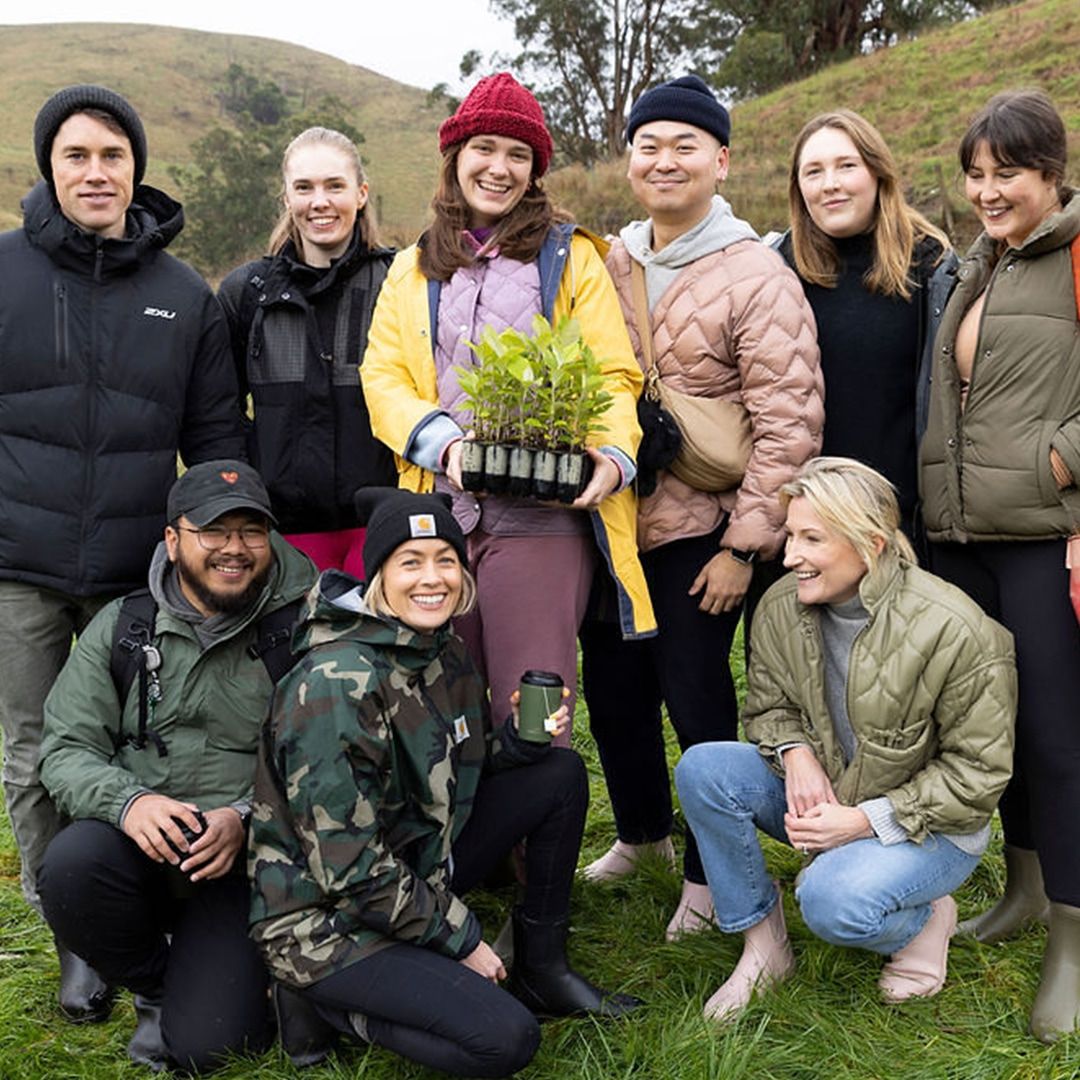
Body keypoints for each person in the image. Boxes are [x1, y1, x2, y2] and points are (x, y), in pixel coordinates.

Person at [249, 489, 640, 1078]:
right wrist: (461, 937)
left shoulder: (441, 649)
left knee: (557, 774)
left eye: (446, 559)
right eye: (411, 562)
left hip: (415, 863)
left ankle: (542, 968)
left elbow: (457, 773)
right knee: (503, 1040)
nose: (433, 578)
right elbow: (351, 873)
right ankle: (321, 1004)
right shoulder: (334, 684)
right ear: (379, 573)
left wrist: (520, 747)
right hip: (327, 919)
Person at [0, 84, 243, 1020]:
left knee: (133, 750)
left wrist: (215, 551)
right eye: (76, 156)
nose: (95, 172)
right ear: (48, 168)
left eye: (112, 155)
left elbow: (217, 442)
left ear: (136, 167)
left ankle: (132, 915)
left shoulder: (185, 298)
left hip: (133, 576)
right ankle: (72, 939)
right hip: (18, 566)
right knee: (30, 753)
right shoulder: (6, 272)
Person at [577, 75, 823, 940]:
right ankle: (643, 833)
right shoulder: (609, 262)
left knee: (695, 695)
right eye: (650, 145)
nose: (665, 159)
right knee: (613, 688)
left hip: (704, 532)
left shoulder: (756, 272)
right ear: (631, 159)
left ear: (720, 161)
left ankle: (711, 874)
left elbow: (788, 422)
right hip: (614, 525)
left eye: (686, 145)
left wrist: (745, 548)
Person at [361, 72, 655, 734]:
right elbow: (382, 376)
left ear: (535, 169)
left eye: (518, 154)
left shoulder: (571, 258)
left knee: (533, 706)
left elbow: (613, 373)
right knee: (445, 708)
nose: (499, 167)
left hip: (543, 520)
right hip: (440, 521)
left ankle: (539, 829)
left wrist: (611, 457)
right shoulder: (413, 267)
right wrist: (445, 445)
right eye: (485, 148)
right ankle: (472, 839)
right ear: (456, 156)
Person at [674, 457, 1016, 1021]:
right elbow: (769, 708)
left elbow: (977, 777)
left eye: (812, 539)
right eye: (790, 536)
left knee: (832, 904)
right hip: (835, 787)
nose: (789, 557)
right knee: (704, 770)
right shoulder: (783, 604)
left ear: (871, 544)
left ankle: (926, 921)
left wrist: (864, 822)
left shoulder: (957, 629)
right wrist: (795, 752)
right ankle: (764, 945)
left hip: (932, 828)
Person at [35, 461, 317, 1073]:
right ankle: (156, 985)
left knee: (212, 1047)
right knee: (70, 866)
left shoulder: (305, 629)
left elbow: (329, 762)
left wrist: (245, 818)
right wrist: (129, 804)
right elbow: (64, 749)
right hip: (139, 848)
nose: (234, 549)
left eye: (251, 531)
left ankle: (217, 982)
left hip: (245, 865)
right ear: (173, 539)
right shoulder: (124, 627)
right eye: (214, 531)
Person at [919, 89, 1080, 1042]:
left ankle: (1072, 935)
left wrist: (1059, 465)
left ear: (1052, 173)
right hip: (965, 538)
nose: (987, 191)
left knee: (1061, 742)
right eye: (976, 174)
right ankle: (1022, 887)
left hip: (1040, 534)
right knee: (999, 728)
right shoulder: (976, 265)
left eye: (1006, 174)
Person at [218, 127, 397, 576]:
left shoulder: (399, 283)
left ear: (360, 193)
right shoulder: (246, 293)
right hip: (281, 533)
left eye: (334, 186)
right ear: (286, 199)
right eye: (304, 188)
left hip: (379, 528)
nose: (320, 201)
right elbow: (221, 413)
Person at [778, 109, 956, 550]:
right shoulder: (776, 268)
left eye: (846, 166)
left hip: (902, 526)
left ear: (878, 172)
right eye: (813, 172)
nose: (830, 184)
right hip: (803, 526)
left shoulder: (933, 266)